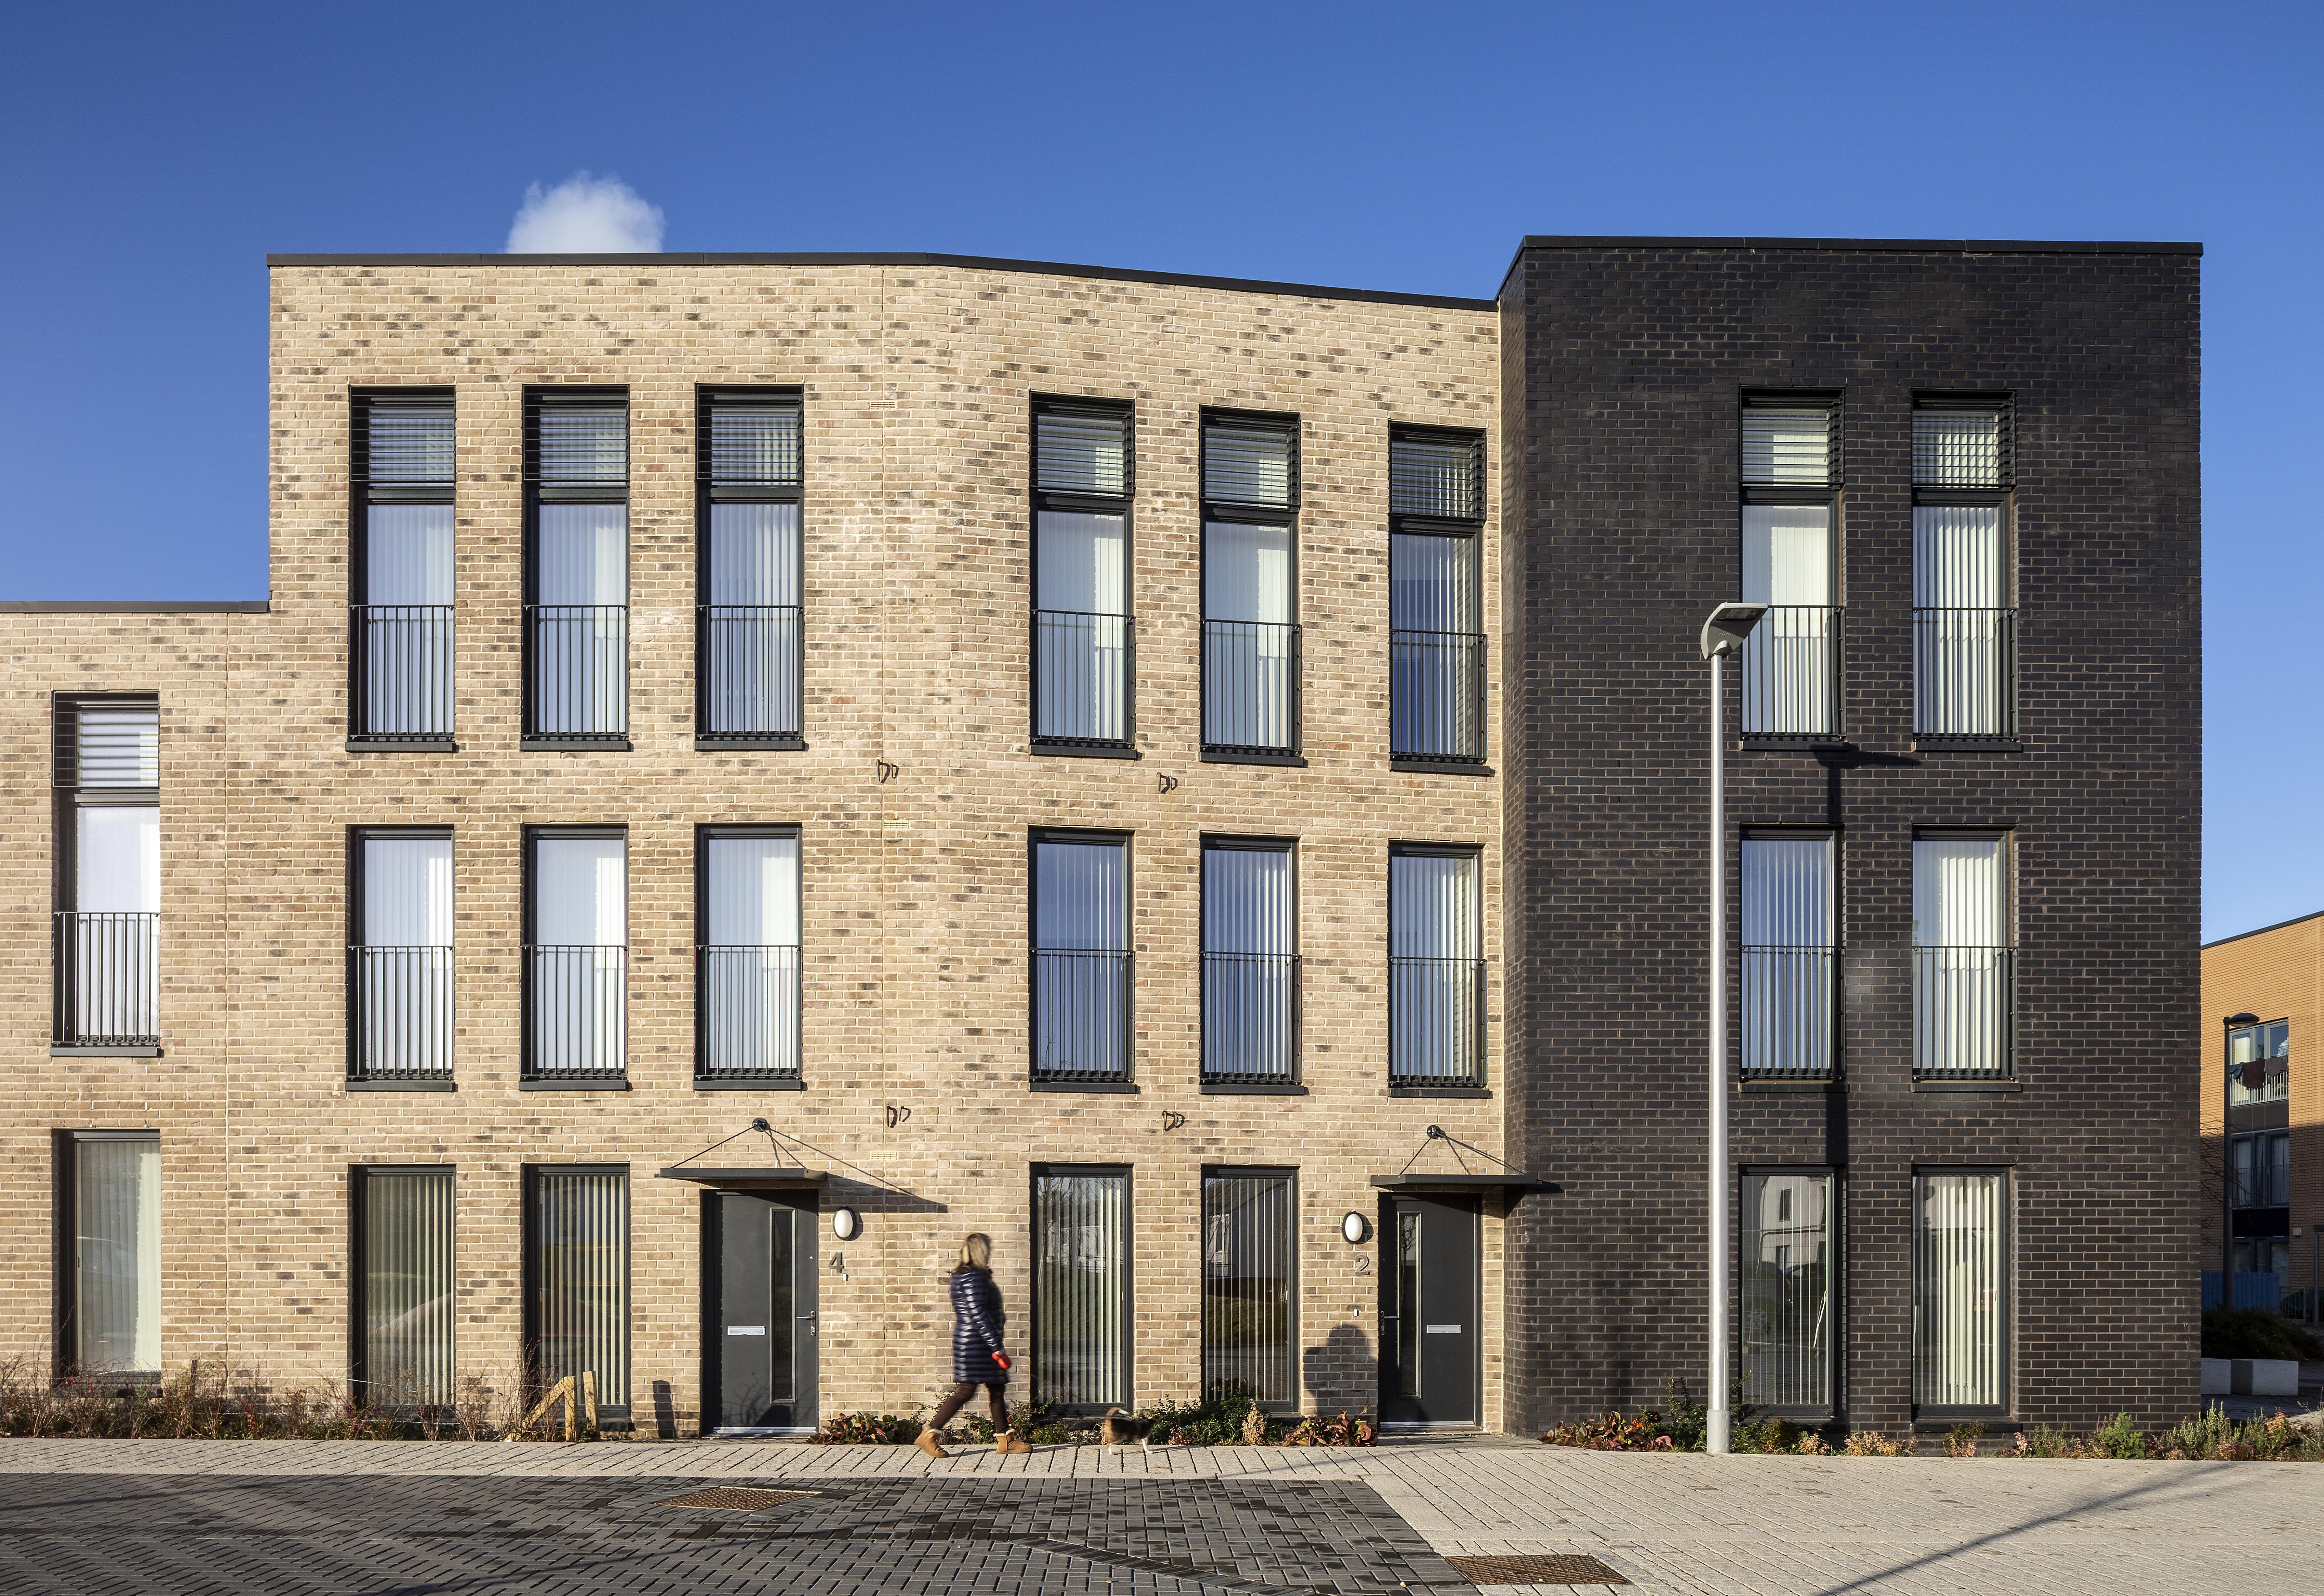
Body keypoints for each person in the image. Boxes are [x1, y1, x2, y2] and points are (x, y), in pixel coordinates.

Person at [918, 1232, 1032, 1458]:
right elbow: (979, 1314)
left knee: (996, 1388)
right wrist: (996, 1346)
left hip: (974, 1341)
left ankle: (1005, 1440)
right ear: (982, 1251)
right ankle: (929, 1435)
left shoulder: (964, 1276)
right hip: (977, 1344)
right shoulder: (975, 1277)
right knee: (966, 1391)